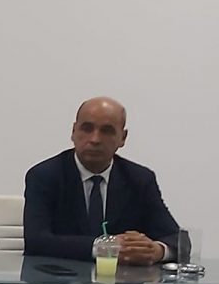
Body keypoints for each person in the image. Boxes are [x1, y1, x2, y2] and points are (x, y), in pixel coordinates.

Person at [24, 96, 178, 264]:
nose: (95, 139)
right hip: (59, 277)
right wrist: (105, 247)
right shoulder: (45, 176)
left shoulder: (139, 179)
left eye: (106, 131)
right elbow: (36, 241)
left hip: (122, 279)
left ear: (123, 138)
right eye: (87, 129)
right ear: (74, 132)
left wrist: (155, 251)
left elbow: (176, 238)